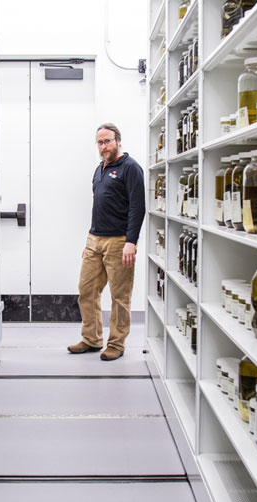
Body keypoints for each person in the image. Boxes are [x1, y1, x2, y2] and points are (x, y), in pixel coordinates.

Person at [68, 123, 145, 361]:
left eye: (107, 141)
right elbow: (99, 206)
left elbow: (137, 208)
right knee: (86, 291)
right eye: (100, 143)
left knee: (119, 296)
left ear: (118, 141)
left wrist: (131, 242)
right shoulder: (100, 169)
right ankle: (91, 339)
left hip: (119, 241)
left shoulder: (131, 168)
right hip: (95, 239)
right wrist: (90, 238)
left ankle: (116, 344)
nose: (104, 146)